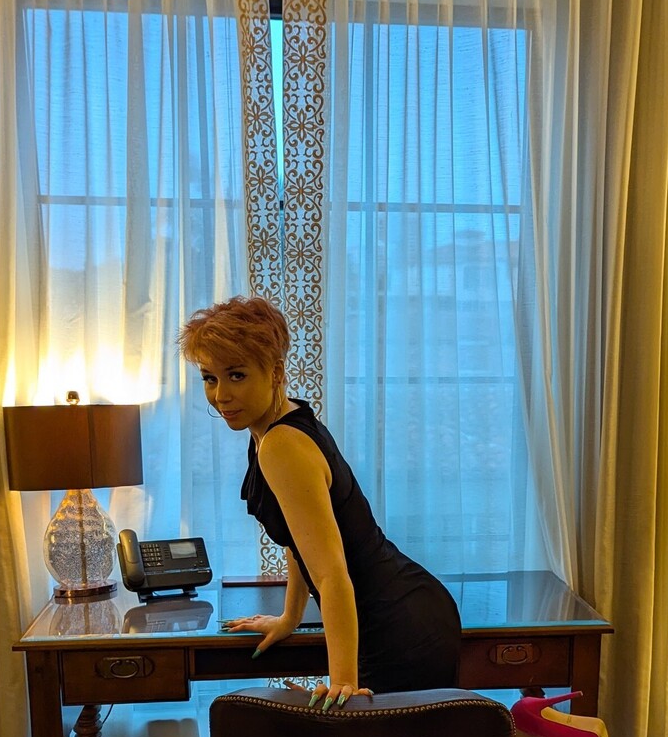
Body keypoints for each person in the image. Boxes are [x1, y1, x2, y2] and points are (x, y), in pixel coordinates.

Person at [179, 295, 463, 710]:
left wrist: (342, 683)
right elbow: (301, 542)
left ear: (275, 373)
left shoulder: (282, 444)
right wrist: (289, 617)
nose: (221, 395)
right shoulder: (272, 428)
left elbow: (331, 574)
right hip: (399, 606)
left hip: (395, 625)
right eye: (210, 378)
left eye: (236, 375)